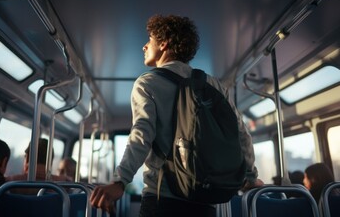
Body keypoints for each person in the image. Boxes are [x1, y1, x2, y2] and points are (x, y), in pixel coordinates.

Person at [90, 14, 263, 216]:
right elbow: (241, 134)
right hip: (206, 201)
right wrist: (251, 178)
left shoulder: (147, 83)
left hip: (162, 199)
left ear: (163, 44)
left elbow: (142, 134)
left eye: (149, 41)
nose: (144, 47)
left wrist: (120, 181)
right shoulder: (214, 85)